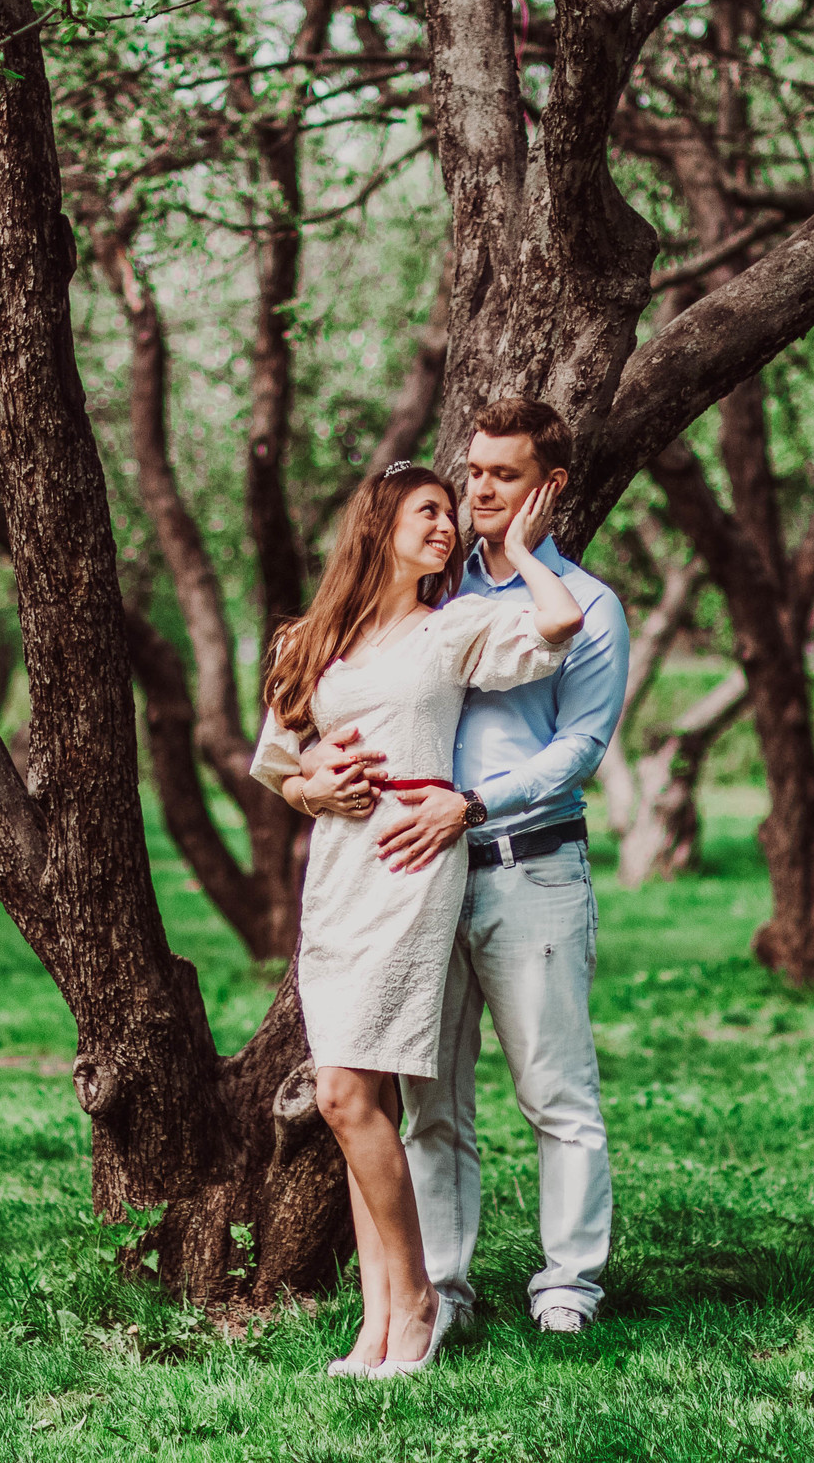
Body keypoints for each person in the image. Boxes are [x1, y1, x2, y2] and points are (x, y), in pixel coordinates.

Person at [295, 398, 632, 1337]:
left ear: (547, 488)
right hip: (417, 879)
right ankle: (437, 1291)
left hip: (529, 869)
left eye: (503, 475)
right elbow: (328, 709)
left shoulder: (590, 607)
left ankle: (568, 1286)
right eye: (473, 472)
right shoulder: (435, 601)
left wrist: (473, 805)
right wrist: (316, 777)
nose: (479, 490)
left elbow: (580, 748)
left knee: (554, 1090)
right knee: (430, 1099)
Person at [251, 460, 583, 1378]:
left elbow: (557, 623)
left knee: (344, 1093)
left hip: (412, 863)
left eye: (450, 514)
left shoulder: (454, 630)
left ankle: (418, 1297)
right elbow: (278, 764)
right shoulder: (308, 642)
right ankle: (379, 1320)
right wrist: (317, 784)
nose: (446, 527)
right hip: (339, 872)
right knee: (362, 1102)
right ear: (379, 524)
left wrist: (516, 547)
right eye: (428, 512)